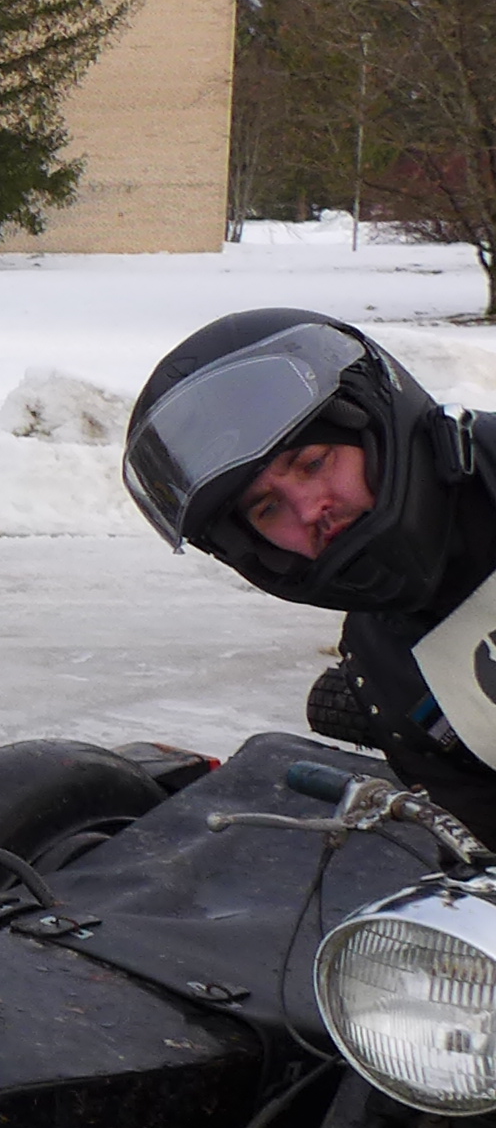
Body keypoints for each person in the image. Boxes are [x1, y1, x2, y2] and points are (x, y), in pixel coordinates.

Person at [124, 310, 496, 840]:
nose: (308, 509)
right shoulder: (383, 664)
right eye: (268, 509)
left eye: (313, 463)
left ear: (372, 421)